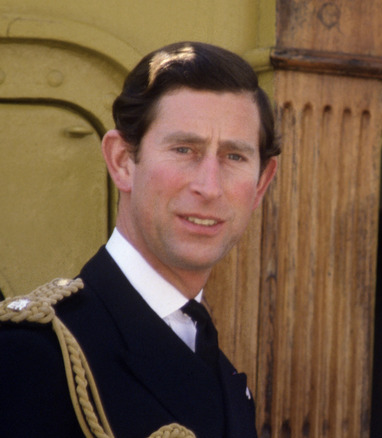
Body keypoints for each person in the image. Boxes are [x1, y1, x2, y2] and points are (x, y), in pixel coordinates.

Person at [0, 41, 279, 437]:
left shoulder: (221, 369)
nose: (210, 186)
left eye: (234, 157)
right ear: (122, 161)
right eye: (184, 149)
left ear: (261, 184)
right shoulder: (31, 355)